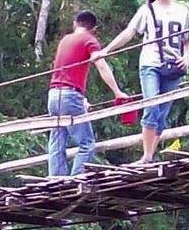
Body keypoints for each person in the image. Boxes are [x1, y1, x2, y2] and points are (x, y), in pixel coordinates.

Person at [103, 0, 189, 163]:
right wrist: (106, 51)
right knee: (151, 106)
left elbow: (188, 40)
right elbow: (129, 32)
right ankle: (146, 156)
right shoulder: (146, 11)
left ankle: (149, 156)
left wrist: (186, 58)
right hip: (151, 64)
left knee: (162, 113)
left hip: (174, 67)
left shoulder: (182, 11)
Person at [46, 10, 129, 176]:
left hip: (54, 95)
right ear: (94, 29)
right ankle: (77, 178)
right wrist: (117, 92)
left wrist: (81, 98)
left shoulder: (65, 40)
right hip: (69, 96)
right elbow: (101, 65)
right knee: (87, 144)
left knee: (57, 142)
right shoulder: (89, 40)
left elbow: (65, 72)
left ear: (75, 24)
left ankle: (56, 179)